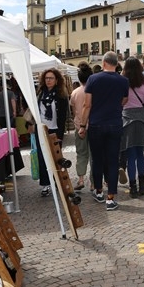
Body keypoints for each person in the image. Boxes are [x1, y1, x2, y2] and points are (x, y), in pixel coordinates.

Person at [78, 52, 129, 211]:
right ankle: (110, 198)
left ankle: (99, 191)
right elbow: (124, 100)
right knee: (113, 160)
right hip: (115, 123)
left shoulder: (93, 79)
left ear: (104, 62)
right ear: (116, 63)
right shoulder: (124, 81)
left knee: (97, 159)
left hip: (96, 124)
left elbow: (87, 105)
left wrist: (82, 125)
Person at [121, 57, 144, 198]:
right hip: (141, 119)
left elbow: (120, 102)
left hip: (127, 119)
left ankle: (132, 186)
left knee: (130, 156)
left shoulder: (123, 83)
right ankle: (142, 185)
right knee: (140, 153)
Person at [34, 68, 69, 197]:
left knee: (55, 158)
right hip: (41, 129)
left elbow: (63, 117)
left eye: (51, 78)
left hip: (54, 130)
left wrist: (60, 135)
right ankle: (45, 184)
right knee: (42, 158)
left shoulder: (61, 96)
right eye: (46, 78)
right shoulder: (40, 94)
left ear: (56, 80)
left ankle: (57, 182)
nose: (48, 80)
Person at [69, 62, 93, 191]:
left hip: (79, 127)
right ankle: (94, 182)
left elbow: (74, 112)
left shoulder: (74, 93)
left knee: (81, 153)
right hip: (93, 126)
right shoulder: (94, 91)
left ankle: (81, 179)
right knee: (94, 154)